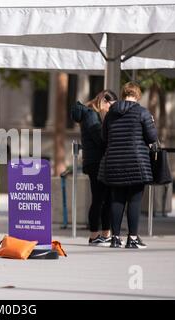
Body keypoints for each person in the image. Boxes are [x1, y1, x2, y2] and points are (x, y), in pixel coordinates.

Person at [98, 82, 158, 249]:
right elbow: (152, 138)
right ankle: (132, 238)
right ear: (137, 95)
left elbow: (104, 137)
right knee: (134, 201)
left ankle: (115, 238)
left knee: (117, 199)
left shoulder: (111, 114)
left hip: (115, 162)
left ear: (123, 94)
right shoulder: (143, 112)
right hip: (137, 163)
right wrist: (152, 122)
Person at [71, 90, 117, 246]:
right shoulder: (91, 115)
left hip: (101, 161)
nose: (111, 109)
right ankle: (94, 235)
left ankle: (105, 234)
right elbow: (100, 139)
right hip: (95, 162)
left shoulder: (96, 114)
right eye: (111, 105)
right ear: (103, 101)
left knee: (107, 198)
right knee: (99, 198)